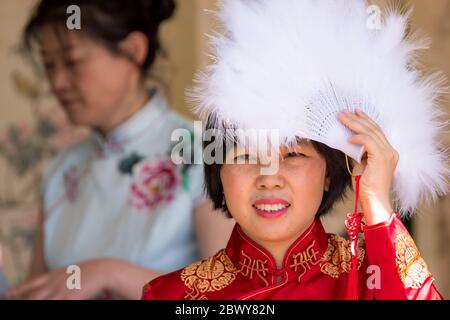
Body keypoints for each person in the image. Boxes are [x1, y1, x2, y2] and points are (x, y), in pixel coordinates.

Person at [142, 0, 446, 300]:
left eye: (293, 155)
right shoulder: (173, 295)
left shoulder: (372, 282)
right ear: (218, 171)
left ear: (328, 173)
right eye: (245, 156)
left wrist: (376, 200)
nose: (269, 178)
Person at [6, 0, 234, 300]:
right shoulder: (62, 172)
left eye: (72, 62)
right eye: (49, 66)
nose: (57, 83)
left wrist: (109, 273)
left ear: (133, 50)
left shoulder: (205, 152)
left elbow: (229, 296)